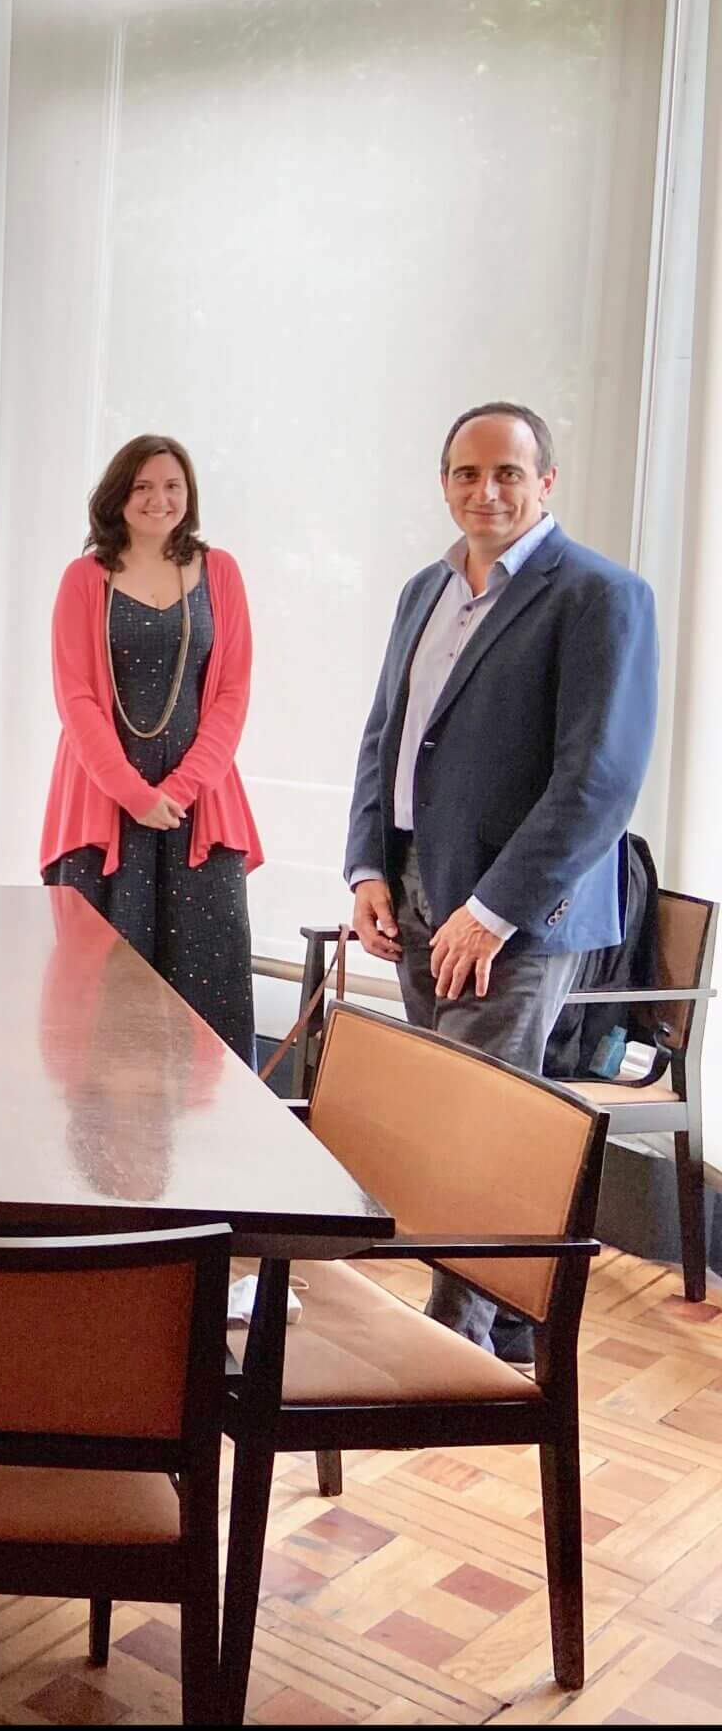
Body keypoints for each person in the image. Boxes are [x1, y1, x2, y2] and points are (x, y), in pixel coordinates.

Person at [348, 401, 658, 1360]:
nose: (485, 491)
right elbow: (388, 737)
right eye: (466, 473)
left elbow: (598, 780)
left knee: (475, 1128)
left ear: (546, 483)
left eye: (508, 473)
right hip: (415, 887)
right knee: (447, 1116)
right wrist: (368, 866)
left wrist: (491, 912)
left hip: (518, 914)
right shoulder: (424, 590)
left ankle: (451, 1350)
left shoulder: (601, 595)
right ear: (445, 482)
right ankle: (512, 1322)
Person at [41, 435, 264, 1064]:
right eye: (142, 486)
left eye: (171, 486)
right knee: (102, 986)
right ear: (118, 495)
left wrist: (180, 789)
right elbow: (75, 697)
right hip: (103, 802)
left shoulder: (221, 571)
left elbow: (233, 692)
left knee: (210, 978)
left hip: (198, 804)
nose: (158, 499)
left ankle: (215, 1120)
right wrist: (132, 794)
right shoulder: (84, 578)